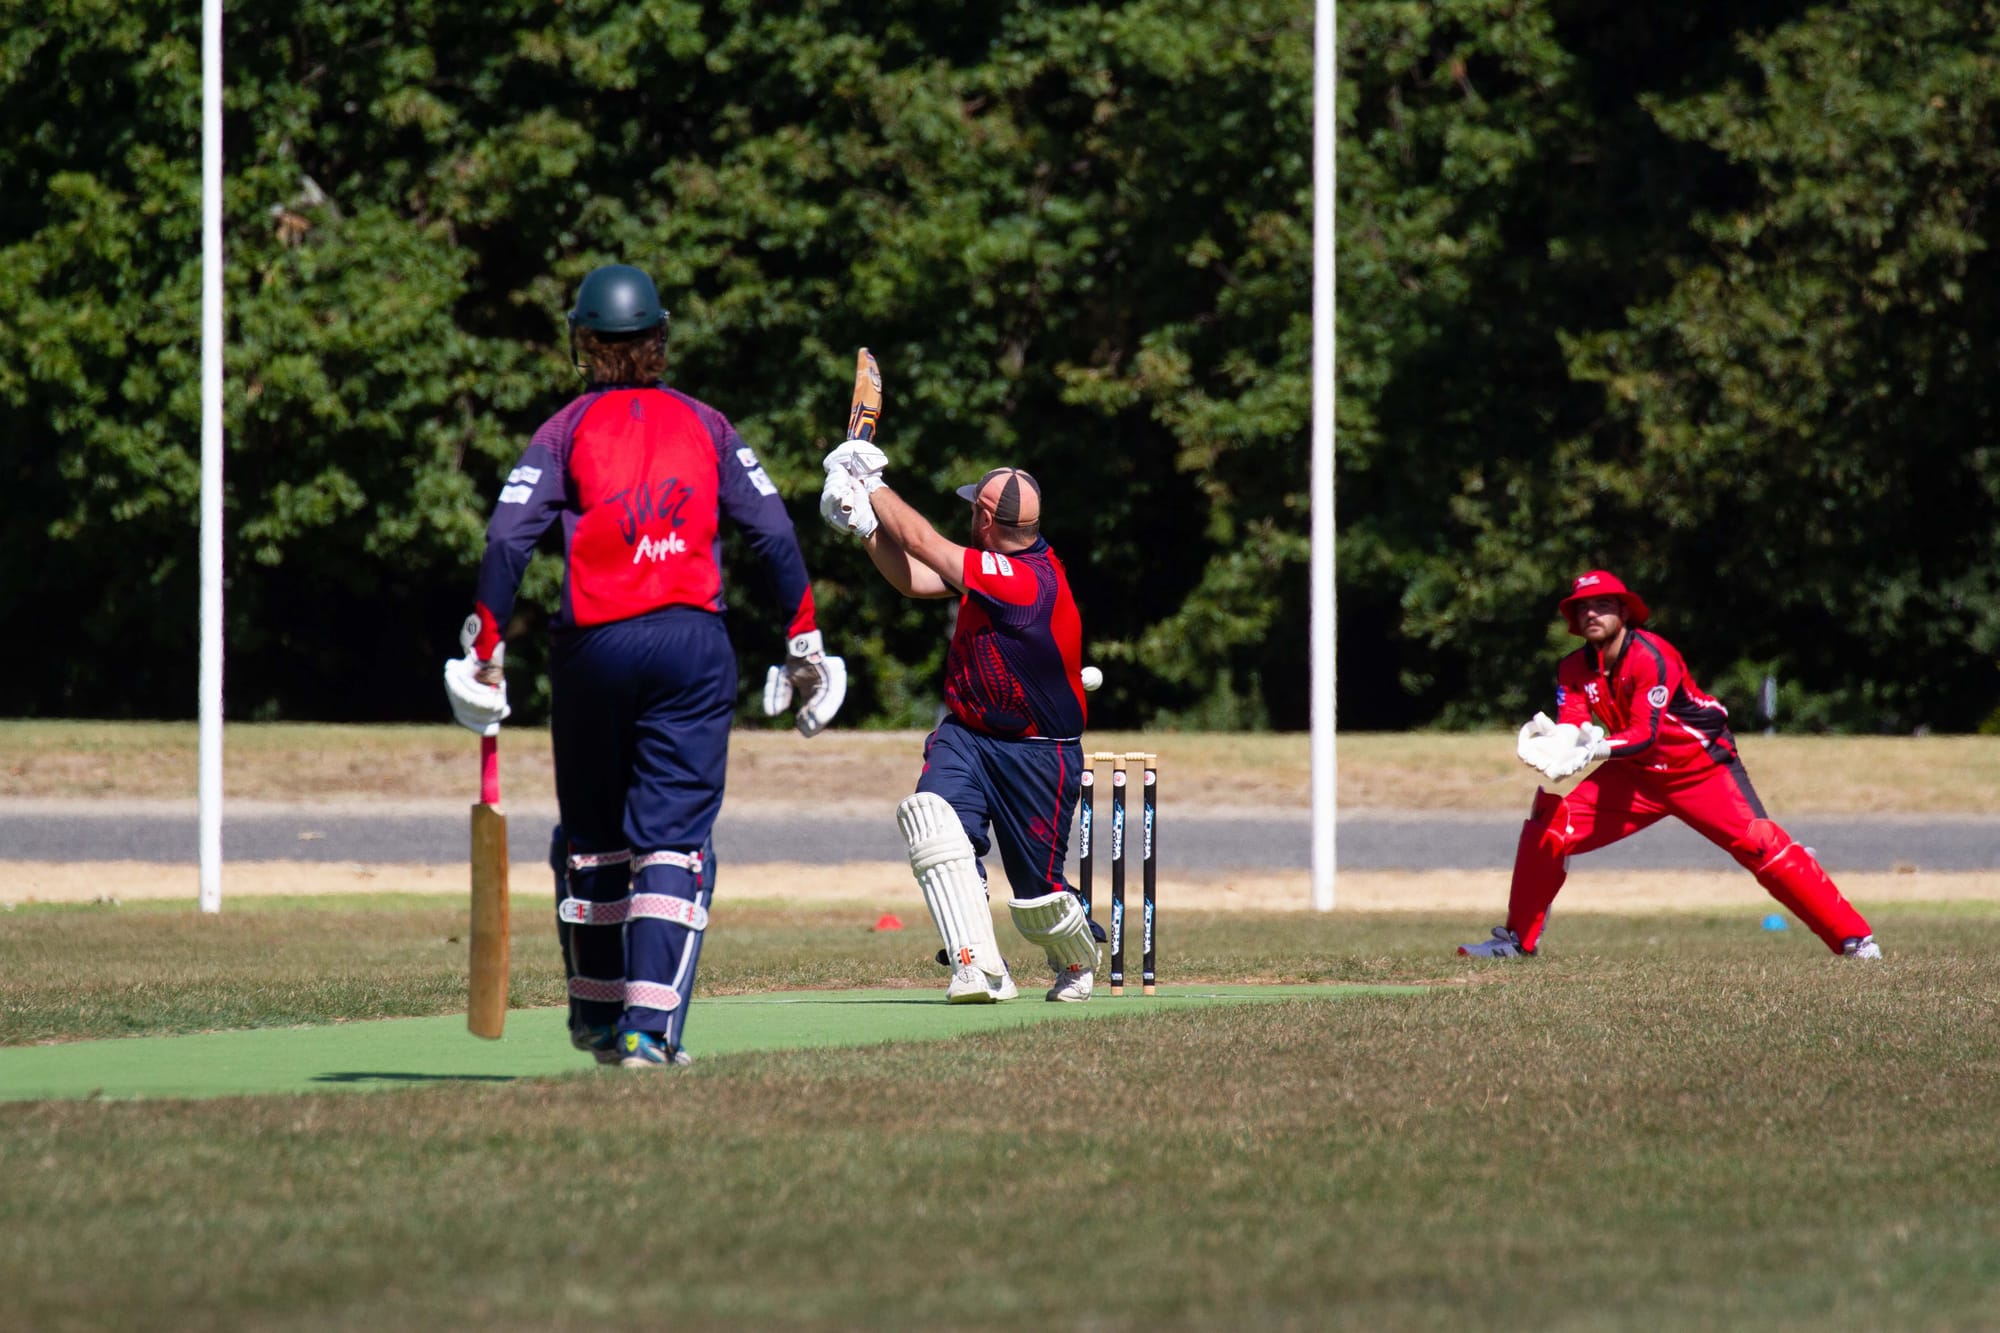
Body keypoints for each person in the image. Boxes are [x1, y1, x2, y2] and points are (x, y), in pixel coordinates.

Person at [443, 262, 847, 1068]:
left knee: (593, 835)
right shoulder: (709, 424)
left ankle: (597, 1020)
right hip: (689, 646)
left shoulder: (562, 431)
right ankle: (645, 1033)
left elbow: (504, 539)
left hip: (591, 648)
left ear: (585, 344)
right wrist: (804, 640)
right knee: (672, 839)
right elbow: (771, 532)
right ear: (658, 339)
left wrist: (484, 646)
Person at [1463, 569, 1882, 960]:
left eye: (1603, 605)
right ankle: (1517, 943)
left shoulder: (1651, 655)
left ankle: (1856, 941)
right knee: (1548, 823)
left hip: (1700, 769)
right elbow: (1575, 724)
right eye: (1583, 607)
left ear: (1624, 611)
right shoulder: (1573, 668)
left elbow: (1644, 732)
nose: (1592, 613)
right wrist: (1557, 743)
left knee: (1761, 843)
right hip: (1634, 775)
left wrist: (1593, 750)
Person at [820, 442, 1102, 1002]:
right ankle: (977, 967)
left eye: (975, 507)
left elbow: (924, 542)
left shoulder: (1023, 579)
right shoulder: (996, 566)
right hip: (970, 735)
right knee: (936, 824)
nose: (969, 512)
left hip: (1039, 753)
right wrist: (864, 528)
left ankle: (1076, 961)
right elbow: (914, 579)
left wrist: (869, 482)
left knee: (1039, 898)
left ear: (986, 519)